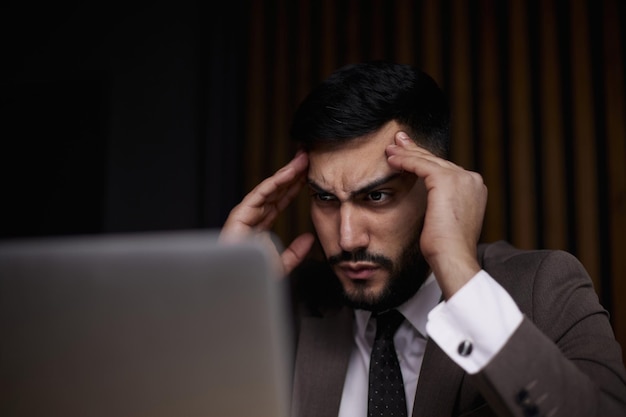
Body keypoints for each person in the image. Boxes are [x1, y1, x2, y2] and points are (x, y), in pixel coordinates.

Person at [220, 60, 626, 417]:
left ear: (436, 184)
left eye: (376, 196)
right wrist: (222, 301)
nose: (347, 239)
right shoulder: (283, 308)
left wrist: (459, 272)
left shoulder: (543, 288)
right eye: (325, 198)